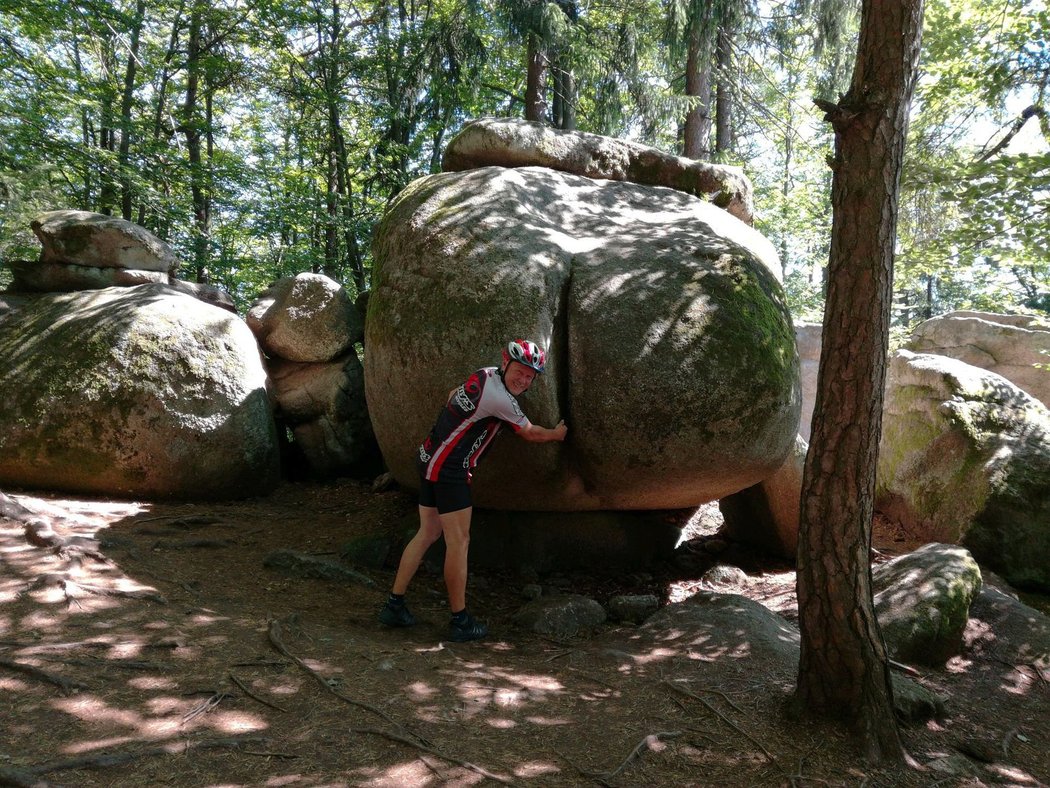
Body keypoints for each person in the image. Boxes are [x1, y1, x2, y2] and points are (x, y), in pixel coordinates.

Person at [378, 339, 568, 642]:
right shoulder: (501, 399)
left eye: (530, 376)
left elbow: (451, 394)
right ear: (506, 364)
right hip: (448, 472)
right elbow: (531, 433)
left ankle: (394, 605)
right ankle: (460, 621)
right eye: (520, 371)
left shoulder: (483, 375)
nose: (523, 379)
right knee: (459, 542)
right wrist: (557, 435)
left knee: (427, 533)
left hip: (428, 459)